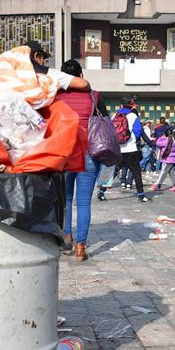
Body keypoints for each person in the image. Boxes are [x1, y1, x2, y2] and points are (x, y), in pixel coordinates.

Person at [55, 59, 101, 262]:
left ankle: (67, 240)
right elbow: (103, 121)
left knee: (64, 200)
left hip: (63, 153)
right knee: (83, 202)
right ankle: (81, 246)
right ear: (81, 76)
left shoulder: (55, 97)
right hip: (89, 153)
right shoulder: (94, 96)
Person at [100, 99, 151, 202]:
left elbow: (110, 130)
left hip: (117, 149)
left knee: (112, 171)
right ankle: (141, 195)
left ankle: (101, 192)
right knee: (136, 172)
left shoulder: (115, 115)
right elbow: (138, 132)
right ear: (131, 106)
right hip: (130, 149)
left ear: (121, 105)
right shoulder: (133, 116)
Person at [150, 127, 175, 191]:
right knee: (172, 173)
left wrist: (162, 137)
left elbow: (157, 143)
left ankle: (157, 185)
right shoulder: (172, 141)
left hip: (167, 160)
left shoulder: (165, 141)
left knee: (163, 173)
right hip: (172, 160)